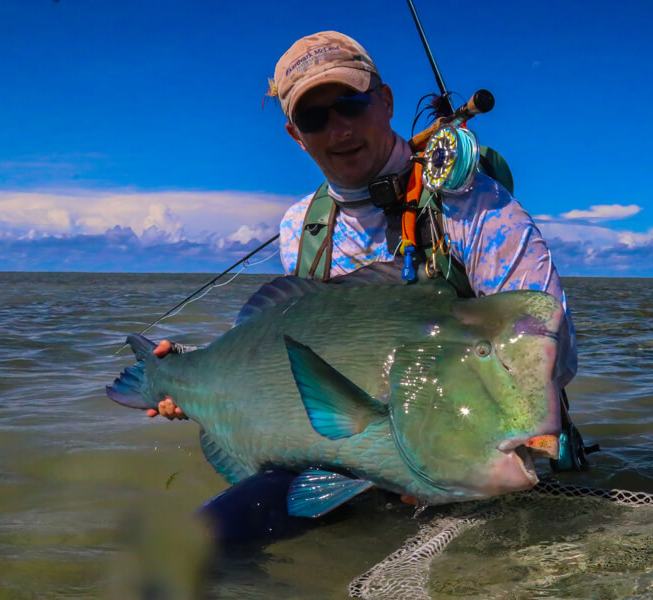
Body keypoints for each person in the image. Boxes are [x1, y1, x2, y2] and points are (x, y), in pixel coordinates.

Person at [149, 31, 591, 471]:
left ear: (386, 102)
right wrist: (196, 377)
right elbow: (298, 354)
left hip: (484, 461)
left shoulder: (478, 206)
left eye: (352, 104)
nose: (339, 129)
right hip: (364, 460)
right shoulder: (300, 227)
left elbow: (552, 353)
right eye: (313, 118)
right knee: (234, 530)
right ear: (295, 135)